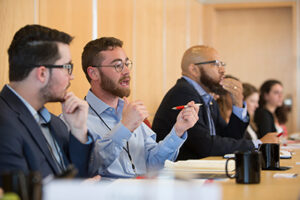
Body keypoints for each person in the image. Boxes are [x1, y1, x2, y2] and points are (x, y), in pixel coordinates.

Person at [80, 37, 199, 178]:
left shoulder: (129, 110)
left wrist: (178, 130)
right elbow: (89, 167)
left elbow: (153, 164)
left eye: (127, 64)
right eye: (118, 65)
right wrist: (125, 127)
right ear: (94, 73)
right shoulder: (77, 120)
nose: (126, 72)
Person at [0, 25, 99, 185]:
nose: (72, 76)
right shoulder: (4, 124)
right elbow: (17, 193)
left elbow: (80, 177)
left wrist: (79, 131)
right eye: (67, 67)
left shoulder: (56, 123)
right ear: (42, 73)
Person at [152, 45, 278, 159]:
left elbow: (229, 138)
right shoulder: (183, 93)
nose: (222, 70)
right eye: (216, 64)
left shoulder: (207, 99)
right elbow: (204, 145)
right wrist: (257, 144)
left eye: (222, 64)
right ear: (194, 69)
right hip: (181, 177)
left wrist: (238, 103)